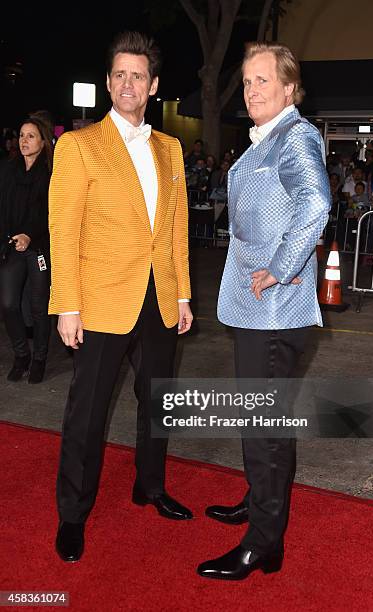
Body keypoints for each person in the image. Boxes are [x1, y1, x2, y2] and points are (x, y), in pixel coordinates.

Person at [48, 31, 193, 563]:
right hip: (102, 299)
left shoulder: (170, 148)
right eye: (119, 74)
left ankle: (149, 485)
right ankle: (72, 514)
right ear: (109, 82)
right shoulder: (78, 145)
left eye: (138, 75)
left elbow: (175, 229)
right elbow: (63, 230)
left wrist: (181, 295)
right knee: (87, 413)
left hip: (159, 297)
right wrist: (67, 304)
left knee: (159, 402)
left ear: (153, 85)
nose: (127, 83)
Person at [197, 42, 330, 581]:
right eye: (247, 82)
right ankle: (260, 502)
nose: (252, 90)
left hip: (275, 308)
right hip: (258, 309)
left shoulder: (294, 137)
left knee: (263, 426)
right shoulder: (269, 138)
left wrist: (279, 265)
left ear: (289, 89)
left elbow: (316, 204)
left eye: (262, 81)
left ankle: (263, 543)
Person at [0, 115, 53, 384]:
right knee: (8, 303)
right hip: (13, 245)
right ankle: (21, 354)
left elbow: (50, 214)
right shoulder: (8, 170)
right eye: (21, 135)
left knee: (38, 307)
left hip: (39, 247)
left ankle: (40, 358)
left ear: (43, 142)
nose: (24, 140)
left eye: (31, 136)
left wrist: (30, 235)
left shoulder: (52, 174)